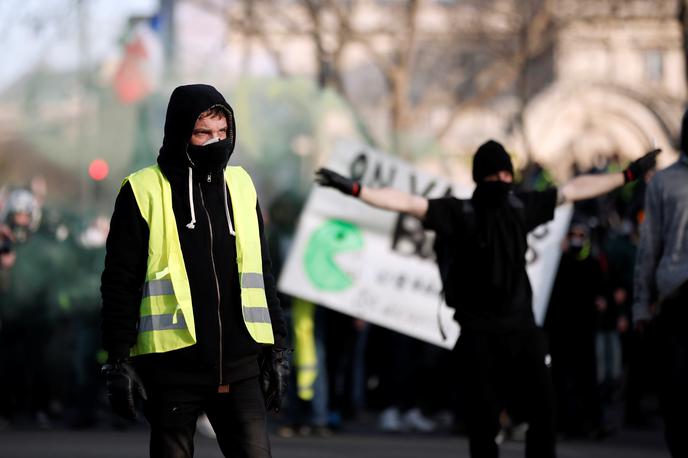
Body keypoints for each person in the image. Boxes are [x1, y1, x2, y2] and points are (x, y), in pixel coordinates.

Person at [315, 140, 658, 458]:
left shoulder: (491, 208)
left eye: (506, 173)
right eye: (498, 174)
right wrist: (358, 191)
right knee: (498, 422)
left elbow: (574, 190)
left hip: (506, 334)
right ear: (483, 177)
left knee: (527, 416)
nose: (503, 179)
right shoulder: (491, 208)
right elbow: (404, 202)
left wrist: (627, 175)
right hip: (495, 336)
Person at [100, 84, 289, 458]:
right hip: (173, 370)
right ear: (179, 132)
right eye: (204, 133)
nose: (216, 142)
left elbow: (261, 271)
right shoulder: (142, 189)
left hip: (240, 366)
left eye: (223, 133)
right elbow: (120, 282)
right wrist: (118, 359)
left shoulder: (242, 184)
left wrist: (278, 347)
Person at [634, 111, 688, 458]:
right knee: (677, 394)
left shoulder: (664, 183)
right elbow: (649, 246)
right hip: (678, 299)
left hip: (674, 297)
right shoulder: (664, 183)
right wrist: (641, 303)